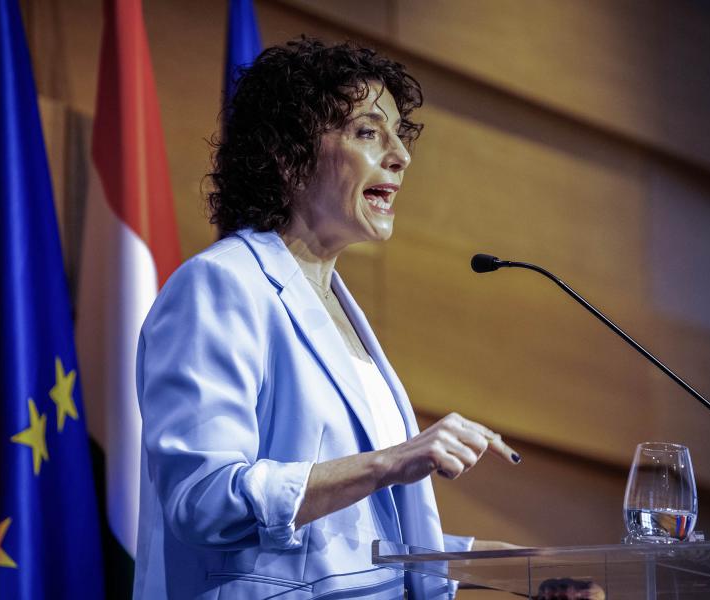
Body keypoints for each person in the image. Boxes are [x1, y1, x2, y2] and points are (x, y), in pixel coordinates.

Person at [132, 37, 520, 600]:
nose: (401, 156)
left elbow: (338, 541)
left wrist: (505, 565)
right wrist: (389, 462)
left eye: (399, 135)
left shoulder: (337, 305)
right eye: (368, 132)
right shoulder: (220, 284)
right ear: (288, 156)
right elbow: (204, 500)